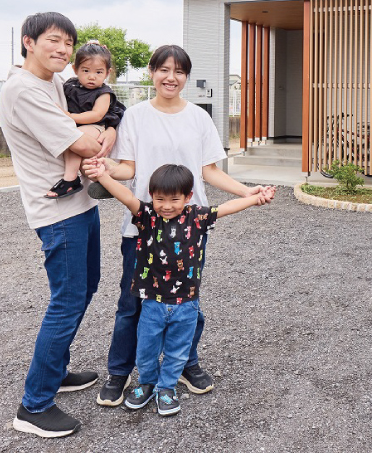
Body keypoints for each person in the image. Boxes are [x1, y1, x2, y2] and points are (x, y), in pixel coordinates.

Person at [83, 44, 274, 407]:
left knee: (187, 303)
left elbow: (210, 171)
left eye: (179, 71)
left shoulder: (199, 118)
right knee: (131, 304)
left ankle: (186, 364)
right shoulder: (136, 116)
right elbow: (128, 168)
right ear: (152, 72)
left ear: (186, 76)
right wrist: (107, 170)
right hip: (143, 230)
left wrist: (248, 191)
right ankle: (120, 373)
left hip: (187, 233)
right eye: (164, 70)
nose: (171, 77)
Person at [0, 12, 115, 438]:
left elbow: (86, 132)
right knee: (66, 300)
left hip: (79, 204)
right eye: (53, 41)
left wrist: (96, 137)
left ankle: (56, 369)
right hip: (56, 213)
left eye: (68, 43)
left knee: (86, 287)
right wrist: (98, 138)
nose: (63, 50)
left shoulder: (49, 82)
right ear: (28, 42)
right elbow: (82, 141)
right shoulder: (24, 90)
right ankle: (34, 405)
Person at [87, 161, 269, 415]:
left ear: (188, 197)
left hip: (187, 303)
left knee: (177, 349)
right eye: (160, 199)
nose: (167, 206)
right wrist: (103, 176)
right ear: (152, 196)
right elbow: (125, 195)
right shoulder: (147, 215)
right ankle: (147, 383)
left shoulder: (198, 216)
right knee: (146, 349)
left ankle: (167, 388)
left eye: (174, 199)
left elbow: (226, 207)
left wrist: (253, 198)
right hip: (152, 301)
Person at [45, 41, 126, 199]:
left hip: (95, 126)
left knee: (74, 137)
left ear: (107, 73)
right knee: (87, 163)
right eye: (86, 70)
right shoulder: (70, 85)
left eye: (98, 72)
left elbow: (96, 114)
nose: (91, 76)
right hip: (78, 126)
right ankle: (103, 182)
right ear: (75, 69)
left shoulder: (104, 93)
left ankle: (70, 179)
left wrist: (69, 117)